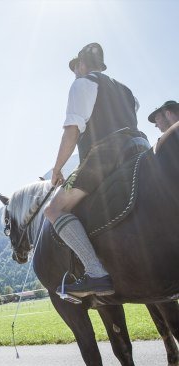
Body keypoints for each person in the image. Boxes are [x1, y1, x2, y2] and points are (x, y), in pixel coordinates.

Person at [44, 43, 150, 298]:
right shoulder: (128, 92)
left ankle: (95, 272)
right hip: (140, 146)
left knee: (53, 209)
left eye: (75, 68)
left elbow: (73, 130)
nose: (75, 73)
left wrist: (57, 169)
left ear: (81, 65)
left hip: (107, 154)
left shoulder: (82, 83)